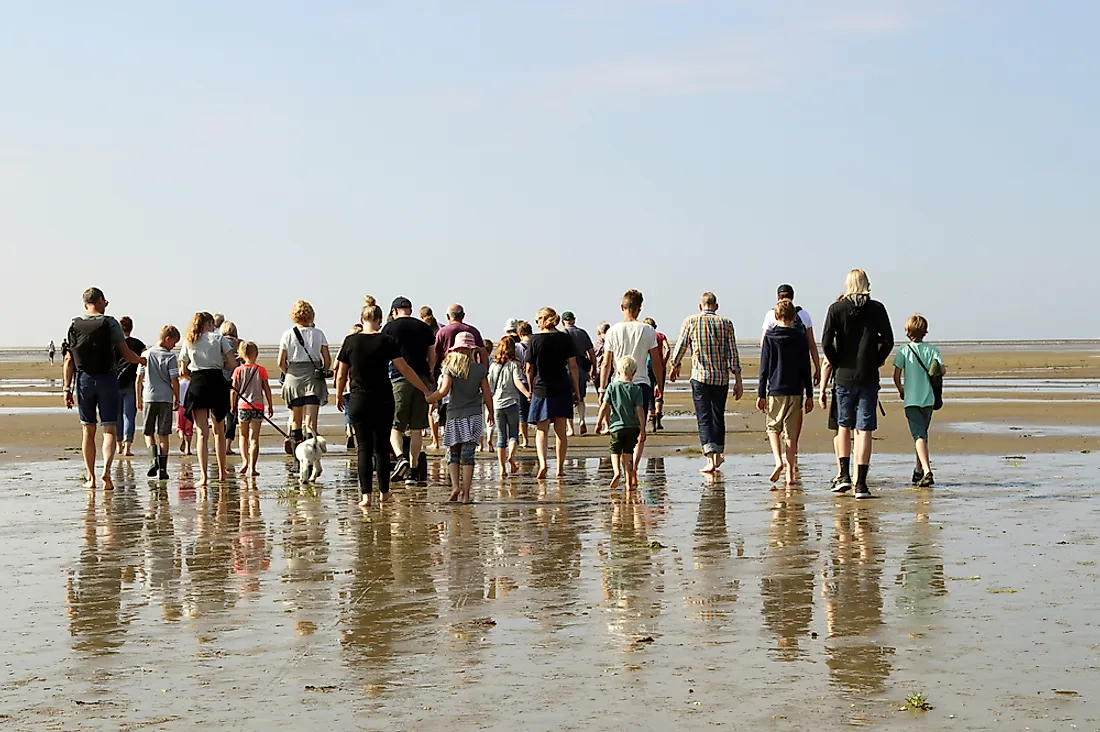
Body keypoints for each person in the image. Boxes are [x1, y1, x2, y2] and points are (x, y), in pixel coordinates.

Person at [335, 297, 432, 509]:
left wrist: (339, 394)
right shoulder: (386, 341)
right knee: (380, 447)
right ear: (379, 320)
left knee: (363, 447)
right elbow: (405, 369)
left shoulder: (350, 341)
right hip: (383, 399)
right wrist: (425, 388)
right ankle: (384, 492)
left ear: (362, 319)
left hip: (359, 399)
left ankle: (365, 496)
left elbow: (341, 373)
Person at [62, 287, 146, 491]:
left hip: (84, 380)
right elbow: (126, 353)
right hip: (107, 379)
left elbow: (68, 359)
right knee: (109, 429)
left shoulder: (74, 325)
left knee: (87, 431)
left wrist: (66, 389)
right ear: (99, 301)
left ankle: (90, 477)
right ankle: (106, 473)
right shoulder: (109, 323)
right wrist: (141, 359)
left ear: (85, 304)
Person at [821, 269, 894, 498]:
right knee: (864, 429)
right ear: (866, 284)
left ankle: (844, 475)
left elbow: (825, 342)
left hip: (844, 374)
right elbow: (889, 341)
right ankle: (860, 483)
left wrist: (836, 361)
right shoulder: (877, 308)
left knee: (844, 425)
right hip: (868, 374)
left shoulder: (836, 309)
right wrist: (877, 360)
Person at [668, 291, 744, 474]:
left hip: (700, 377)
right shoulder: (726, 323)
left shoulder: (691, 321)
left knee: (704, 417)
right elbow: (732, 352)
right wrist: (738, 379)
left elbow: (681, 346)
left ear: (700, 306)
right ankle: (717, 454)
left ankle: (711, 458)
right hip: (721, 378)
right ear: (716, 306)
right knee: (718, 415)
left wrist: (674, 365)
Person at [600, 290, 663, 469]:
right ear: (639, 309)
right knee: (638, 428)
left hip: (618, 383)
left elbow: (606, 362)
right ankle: (633, 465)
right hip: (641, 381)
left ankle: (624, 465)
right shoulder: (648, 330)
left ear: (622, 307)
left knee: (620, 425)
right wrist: (659, 384)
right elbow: (656, 361)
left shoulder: (612, 331)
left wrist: (603, 388)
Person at [426, 332, 492, 502]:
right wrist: (491, 412)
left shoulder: (450, 368)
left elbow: (444, 391)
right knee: (468, 455)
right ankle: (466, 494)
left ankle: (455, 486)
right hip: (474, 415)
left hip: (454, 414)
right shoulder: (480, 369)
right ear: (471, 350)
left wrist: (428, 397)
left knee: (453, 452)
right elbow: (487, 394)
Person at [757, 300, 814, 487]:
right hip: (796, 390)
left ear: (776, 316)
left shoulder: (770, 337)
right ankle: (790, 474)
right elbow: (806, 366)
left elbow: (764, 367)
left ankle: (778, 461)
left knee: (773, 427)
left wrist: (761, 393)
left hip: (776, 389)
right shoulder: (800, 336)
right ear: (793, 317)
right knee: (791, 434)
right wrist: (810, 394)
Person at [382, 296, 437, 482]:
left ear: (394, 311)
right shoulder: (424, 327)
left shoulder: (389, 328)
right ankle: (413, 471)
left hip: (398, 379)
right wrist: (429, 373)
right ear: (410, 310)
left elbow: (383, 355)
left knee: (395, 426)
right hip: (421, 379)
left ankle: (400, 458)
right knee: (416, 428)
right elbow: (433, 355)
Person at [179, 311, 237, 488]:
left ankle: (203, 476)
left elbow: (183, 369)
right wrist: (221, 364)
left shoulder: (189, 340)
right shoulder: (219, 340)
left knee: (202, 433)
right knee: (219, 430)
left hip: (198, 383)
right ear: (210, 323)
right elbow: (233, 364)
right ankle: (221, 472)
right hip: (217, 381)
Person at [526, 307, 581, 479]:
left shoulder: (534, 339)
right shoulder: (565, 338)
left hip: (541, 388)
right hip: (562, 387)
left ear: (543, 319)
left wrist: (530, 387)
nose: (537, 323)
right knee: (561, 431)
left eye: (537, 320)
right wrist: (576, 390)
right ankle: (559, 468)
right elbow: (573, 366)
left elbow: (529, 368)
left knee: (541, 430)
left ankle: (543, 463)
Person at [893, 314, 945, 488]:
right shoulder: (933, 350)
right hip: (928, 399)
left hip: (912, 400)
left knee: (919, 436)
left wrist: (901, 390)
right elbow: (942, 370)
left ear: (908, 331)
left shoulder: (903, 350)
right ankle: (918, 470)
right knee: (922, 435)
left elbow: (896, 375)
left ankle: (928, 471)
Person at [279, 300, 331, 454]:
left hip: (294, 376)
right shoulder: (318, 333)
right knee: (311, 422)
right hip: (313, 377)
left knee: (295, 420)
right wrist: (323, 370)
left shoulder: (287, 334)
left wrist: (288, 372)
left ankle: (298, 458)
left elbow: (280, 361)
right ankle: (311, 456)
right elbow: (327, 359)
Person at [135, 325, 181, 481]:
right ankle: (163, 468)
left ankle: (153, 460)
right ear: (167, 339)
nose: (174, 346)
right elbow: (175, 380)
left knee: (148, 432)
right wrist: (177, 398)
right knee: (163, 434)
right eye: (174, 343)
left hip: (149, 396)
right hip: (165, 398)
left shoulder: (146, 355)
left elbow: (138, 380)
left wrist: (138, 398)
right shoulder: (170, 357)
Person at [596, 355, 646, 489]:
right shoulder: (637, 389)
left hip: (616, 426)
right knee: (628, 453)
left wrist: (598, 422)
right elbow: (640, 410)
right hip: (632, 427)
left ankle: (617, 472)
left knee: (614, 450)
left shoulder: (612, 387)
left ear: (618, 372)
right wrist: (643, 428)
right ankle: (629, 483)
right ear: (634, 372)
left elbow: (604, 407)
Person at [761, 284, 821, 385]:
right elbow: (812, 345)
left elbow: (763, 344)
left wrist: (764, 373)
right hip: (797, 370)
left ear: (778, 297)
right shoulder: (803, 315)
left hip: (777, 371)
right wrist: (817, 368)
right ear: (793, 297)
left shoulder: (771, 315)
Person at [488, 338, 531, 475]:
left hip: (497, 404)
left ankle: (501, 469)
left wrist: (488, 406)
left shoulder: (493, 365)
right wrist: (527, 393)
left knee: (501, 436)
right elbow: (518, 381)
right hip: (512, 402)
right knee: (513, 434)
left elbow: (489, 387)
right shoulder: (514, 364)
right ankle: (511, 456)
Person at [232, 341, 274, 478]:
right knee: (254, 438)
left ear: (242, 355)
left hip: (243, 406)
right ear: (256, 354)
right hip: (257, 406)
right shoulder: (260, 370)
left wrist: (232, 405)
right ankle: (253, 467)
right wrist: (270, 405)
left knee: (243, 436)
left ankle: (245, 461)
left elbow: (234, 390)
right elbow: (266, 388)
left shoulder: (238, 370)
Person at [115, 316, 146, 457]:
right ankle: (127, 447)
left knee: (117, 416)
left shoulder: (114, 344)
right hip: (132, 383)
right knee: (129, 416)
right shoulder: (139, 344)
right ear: (131, 328)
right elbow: (145, 361)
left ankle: (118, 445)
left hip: (115, 383)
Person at [561, 311, 595, 436]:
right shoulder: (582, 333)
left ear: (562, 321)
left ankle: (570, 428)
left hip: (566, 369)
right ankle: (581, 420)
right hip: (581, 369)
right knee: (580, 397)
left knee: (567, 399)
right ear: (574, 320)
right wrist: (594, 369)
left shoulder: (562, 334)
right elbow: (591, 353)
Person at [643, 317, 670, 431]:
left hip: (647, 367)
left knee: (649, 394)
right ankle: (658, 418)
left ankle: (652, 419)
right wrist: (664, 361)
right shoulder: (661, 336)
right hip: (659, 367)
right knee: (659, 391)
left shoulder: (644, 336)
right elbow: (667, 349)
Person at [219, 321, 241, 455]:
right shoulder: (239, 343)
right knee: (232, 414)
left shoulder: (218, 342)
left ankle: (219, 442)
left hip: (219, 380)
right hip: (234, 381)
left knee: (219, 414)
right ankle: (227, 445)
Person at [515, 320, 533, 449]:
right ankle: (539, 436)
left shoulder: (517, 347)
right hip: (536, 381)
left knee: (522, 413)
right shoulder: (536, 343)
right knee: (537, 411)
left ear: (520, 333)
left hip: (522, 381)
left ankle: (525, 440)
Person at [177, 372, 193, 455]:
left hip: (180, 407)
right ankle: (188, 448)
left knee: (180, 427)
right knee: (189, 429)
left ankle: (182, 438)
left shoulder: (179, 383)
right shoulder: (192, 383)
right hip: (190, 408)